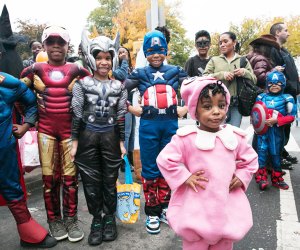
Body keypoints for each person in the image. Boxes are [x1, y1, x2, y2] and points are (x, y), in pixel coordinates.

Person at [156, 76, 258, 250]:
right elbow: (165, 159)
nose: (216, 111)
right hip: (195, 211)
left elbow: (250, 159)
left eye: (221, 105)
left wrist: (241, 176)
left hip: (226, 209)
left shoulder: (234, 136)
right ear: (195, 110)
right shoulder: (186, 138)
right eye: (207, 106)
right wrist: (185, 176)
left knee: (224, 244)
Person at [20, 25, 91, 242]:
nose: (56, 46)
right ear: (44, 45)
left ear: (68, 45)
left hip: (70, 132)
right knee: (50, 180)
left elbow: (95, 92)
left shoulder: (78, 71)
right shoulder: (33, 70)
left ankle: (71, 218)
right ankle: (54, 220)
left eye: (61, 42)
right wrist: (30, 120)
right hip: (46, 132)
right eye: (51, 42)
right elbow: (16, 94)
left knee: (71, 179)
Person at [125, 30, 188, 234]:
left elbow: (196, 88)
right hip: (148, 125)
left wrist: (186, 107)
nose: (156, 55)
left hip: (170, 124)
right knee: (150, 168)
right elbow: (117, 89)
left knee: (168, 166)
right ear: (145, 52)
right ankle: (152, 211)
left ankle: (166, 206)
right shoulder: (140, 73)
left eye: (160, 50)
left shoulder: (175, 71)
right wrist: (129, 107)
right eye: (151, 51)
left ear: (166, 50)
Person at [70, 30, 127, 246]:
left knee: (109, 181)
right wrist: (74, 142)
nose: (104, 62)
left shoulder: (119, 86)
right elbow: (76, 114)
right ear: (90, 57)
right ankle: (96, 219)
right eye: (99, 57)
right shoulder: (81, 84)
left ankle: (110, 217)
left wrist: (122, 142)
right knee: (91, 183)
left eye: (107, 58)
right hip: (87, 138)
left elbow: (121, 115)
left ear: (112, 59)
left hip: (110, 138)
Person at [203, 31, 257, 127]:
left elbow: (254, 79)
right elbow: (204, 77)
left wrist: (244, 72)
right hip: (217, 103)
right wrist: (222, 75)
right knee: (218, 131)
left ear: (234, 43)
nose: (222, 45)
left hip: (237, 103)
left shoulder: (243, 60)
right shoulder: (214, 60)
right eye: (220, 43)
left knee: (234, 132)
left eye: (225, 41)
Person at [253, 71, 296, 190]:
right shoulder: (261, 97)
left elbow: (292, 116)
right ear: (267, 84)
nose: (274, 85)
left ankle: (277, 178)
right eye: (271, 83)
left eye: (278, 83)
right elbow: (255, 114)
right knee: (261, 153)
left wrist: (277, 120)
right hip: (263, 132)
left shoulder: (287, 98)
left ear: (283, 84)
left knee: (275, 154)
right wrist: (256, 125)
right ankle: (261, 178)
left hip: (277, 133)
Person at [270, 22, 300, 166]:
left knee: (287, 125)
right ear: (277, 33)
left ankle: (282, 151)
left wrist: (297, 87)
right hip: (282, 95)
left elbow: (292, 71)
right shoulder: (273, 51)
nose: (288, 33)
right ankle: (277, 157)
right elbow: (276, 76)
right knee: (280, 126)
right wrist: (289, 87)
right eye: (286, 31)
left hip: (291, 93)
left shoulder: (285, 51)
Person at [117, 46, 135, 171]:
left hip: (133, 103)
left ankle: (131, 160)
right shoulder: (117, 69)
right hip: (123, 104)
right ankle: (124, 162)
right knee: (126, 133)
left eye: (125, 52)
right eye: (120, 53)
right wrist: (123, 61)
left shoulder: (131, 69)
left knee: (133, 133)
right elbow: (122, 77)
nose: (123, 54)